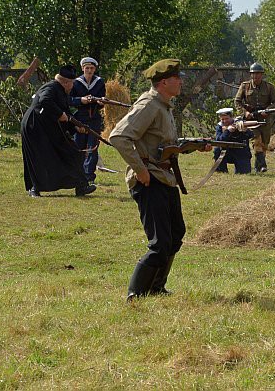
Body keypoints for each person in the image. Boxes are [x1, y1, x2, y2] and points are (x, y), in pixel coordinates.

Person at [110, 59, 208, 301]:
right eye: (177, 78)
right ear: (164, 82)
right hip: (149, 180)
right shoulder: (149, 105)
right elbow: (118, 137)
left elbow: (164, 145)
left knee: (175, 235)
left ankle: (156, 288)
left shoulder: (164, 105)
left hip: (164, 178)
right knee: (160, 242)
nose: (181, 82)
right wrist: (140, 170)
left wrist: (195, 147)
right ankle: (135, 294)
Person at [21, 66, 95, 197]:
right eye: (72, 83)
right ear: (66, 82)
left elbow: (65, 114)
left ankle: (81, 186)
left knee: (72, 152)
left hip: (47, 127)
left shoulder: (60, 91)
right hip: (35, 126)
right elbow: (45, 101)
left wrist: (76, 127)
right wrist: (60, 114)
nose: (72, 87)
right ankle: (34, 187)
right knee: (38, 157)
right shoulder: (51, 87)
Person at [235, 62, 275, 172]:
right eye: (254, 74)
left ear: (262, 75)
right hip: (251, 119)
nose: (256, 76)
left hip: (265, 119)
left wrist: (268, 110)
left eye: (258, 74)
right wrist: (245, 112)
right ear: (251, 74)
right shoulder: (245, 86)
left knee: (264, 144)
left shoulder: (269, 87)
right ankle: (263, 165)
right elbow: (237, 101)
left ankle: (258, 167)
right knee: (256, 140)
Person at [69, 57, 106, 185]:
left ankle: (89, 177)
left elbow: (102, 100)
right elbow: (69, 100)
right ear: (83, 68)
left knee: (92, 147)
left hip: (94, 118)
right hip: (80, 117)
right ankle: (77, 175)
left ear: (95, 69)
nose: (89, 70)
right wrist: (81, 100)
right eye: (87, 68)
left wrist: (101, 102)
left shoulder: (100, 82)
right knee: (78, 146)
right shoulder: (75, 82)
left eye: (91, 68)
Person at [213, 107, 255, 174]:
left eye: (227, 118)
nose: (225, 121)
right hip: (226, 152)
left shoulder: (240, 122)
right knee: (217, 150)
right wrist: (227, 131)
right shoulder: (220, 126)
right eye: (222, 119)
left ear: (231, 117)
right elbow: (219, 140)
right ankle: (221, 171)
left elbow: (251, 135)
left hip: (241, 152)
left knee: (244, 173)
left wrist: (245, 131)